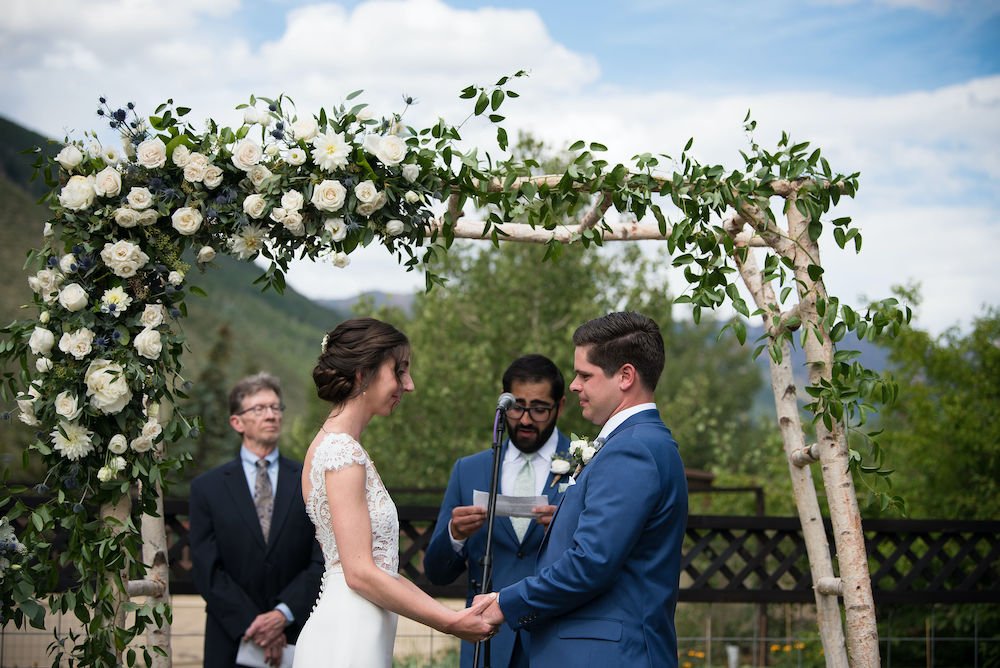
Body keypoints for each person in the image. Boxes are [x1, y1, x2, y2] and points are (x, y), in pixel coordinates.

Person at [477, 311, 689, 667]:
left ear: (625, 376)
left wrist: (505, 604)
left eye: (585, 375)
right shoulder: (636, 442)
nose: (574, 385)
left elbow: (591, 563)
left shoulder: (632, 449)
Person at [293, 317, 498, 667]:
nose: (410, 384)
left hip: (362, 628)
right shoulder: (342, 453)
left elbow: (378, 570)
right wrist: (449, 621)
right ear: (363, 373)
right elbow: (361, 573)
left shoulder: (338, 447)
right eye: (399, 371)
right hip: (348, 637)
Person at [423, 354, 572, 668]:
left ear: (559, 407)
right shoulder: (469, 470)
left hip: (557, 640)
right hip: (488, 643)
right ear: (504, 404)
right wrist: (455, 535)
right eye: (517, 407)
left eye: (540, 409)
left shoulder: (583, 466)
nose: (526, 420)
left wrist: (562, 533)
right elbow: (436, 573)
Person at [189, 373, 325, 668]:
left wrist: (281, 615)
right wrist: (258, 626)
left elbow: (322, 559)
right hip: (231, 638)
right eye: (260, 408)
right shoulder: (206, 488)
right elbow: (207, 570)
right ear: (237, 422)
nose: (271, 415)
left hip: (298, 635)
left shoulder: (309, 480)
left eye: (276, 408)